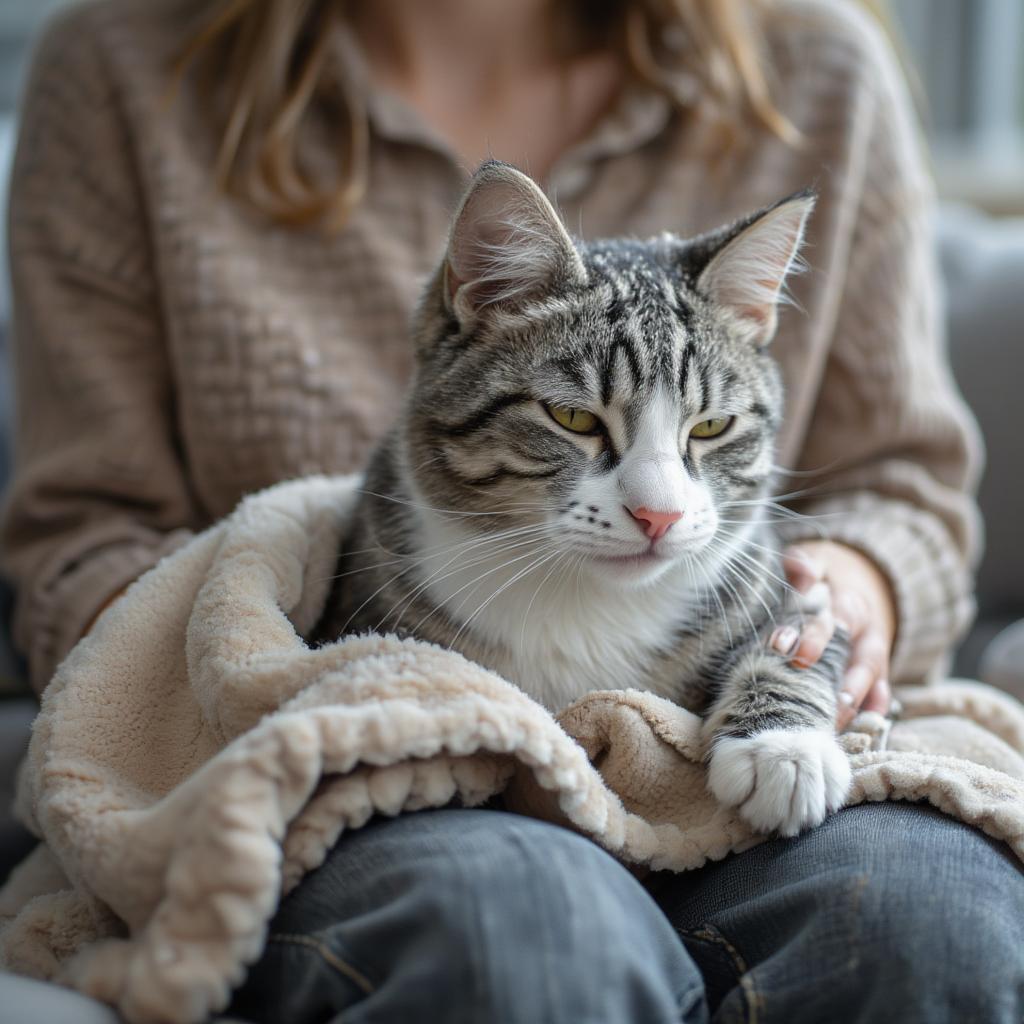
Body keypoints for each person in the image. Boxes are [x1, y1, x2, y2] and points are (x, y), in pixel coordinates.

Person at [3, 0, 1021, 1020]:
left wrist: (838, 609)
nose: (659, 503)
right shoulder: (121, 63)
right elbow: (80, 539)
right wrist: (243, 655)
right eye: (578, 415)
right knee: (518, 938)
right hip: (397, 741)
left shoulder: (819, 61)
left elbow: (904, 489)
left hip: (724, 714)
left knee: (928, 919)